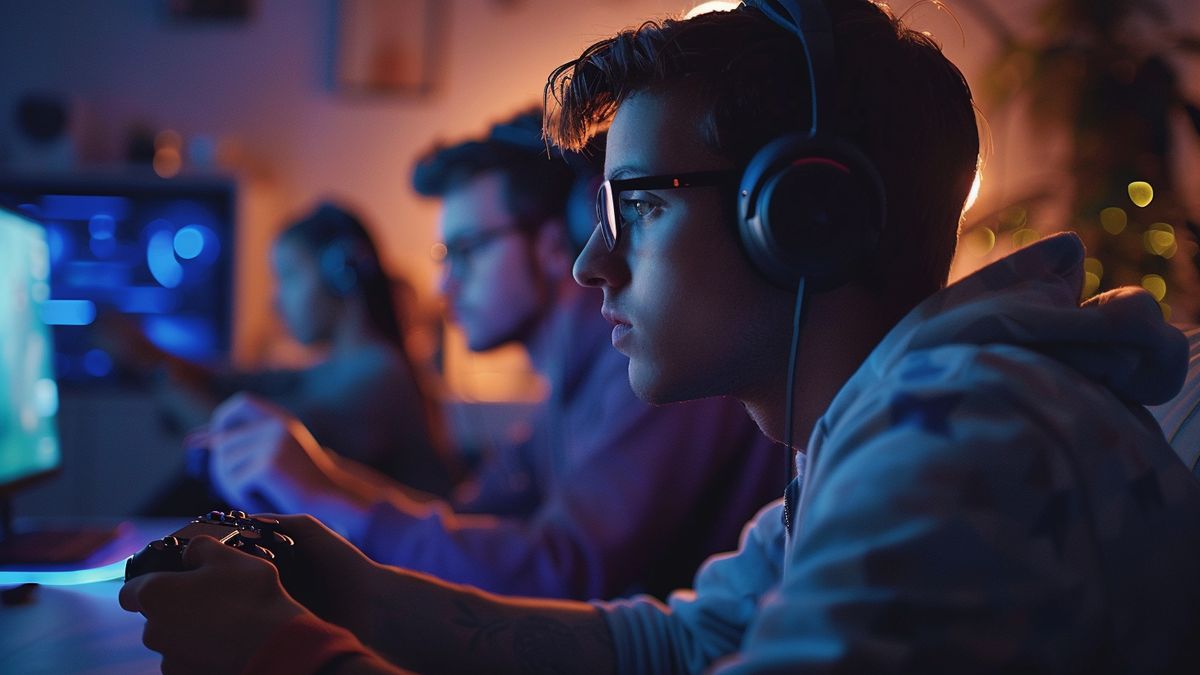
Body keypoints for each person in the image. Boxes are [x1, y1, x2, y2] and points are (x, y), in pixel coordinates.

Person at [120, 1, 1200, 673]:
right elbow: (676, 648)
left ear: (803, 216)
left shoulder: (963, 439)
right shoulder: (889, 423)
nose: (593, 261)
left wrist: (281, 656)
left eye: (637, 204)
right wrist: (355, 591)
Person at [200, 108, 783, 600]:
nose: (445, 287)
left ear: (556, 243)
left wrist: (324, 494)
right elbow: (473, 521)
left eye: (468, 252)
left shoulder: (652, 373)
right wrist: (321, 483)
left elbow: (564, 571)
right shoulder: (568, 388)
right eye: (443, 257)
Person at [105, 202, 454, 502]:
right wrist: (151, 352)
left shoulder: (379, 376)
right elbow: (227, 381)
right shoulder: (335, 367)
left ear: (340, 274)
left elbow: (256, 447)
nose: (277, 300)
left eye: (288, 276)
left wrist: (152, 368)